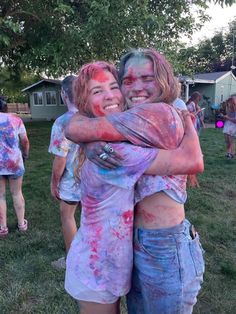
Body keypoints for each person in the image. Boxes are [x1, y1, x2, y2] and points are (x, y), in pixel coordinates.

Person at [66, 49, 204, 314]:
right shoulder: (132, 116)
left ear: (163, 80)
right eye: (128, 81)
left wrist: (90, 139)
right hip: (135, 245)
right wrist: (92, 141)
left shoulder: (158, 114)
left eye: (147, 78)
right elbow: (80, 120)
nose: (137, 87)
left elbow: (193, 161)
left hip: (164, 246)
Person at [48, 76, 81, 269]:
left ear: (64, 95)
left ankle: (72, 259)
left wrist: (54, 183)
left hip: (71, 181)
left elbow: (60, 158)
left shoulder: (62, 122)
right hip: (94, 179)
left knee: (67, 215)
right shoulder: (93, 116)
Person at [0, 96, 30, 237]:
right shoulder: (16, 119)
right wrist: (25, 155)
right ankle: (21, 225)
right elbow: (25, 141)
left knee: (0, 196)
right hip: (14, 162)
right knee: (16, 193)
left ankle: (3, 228)